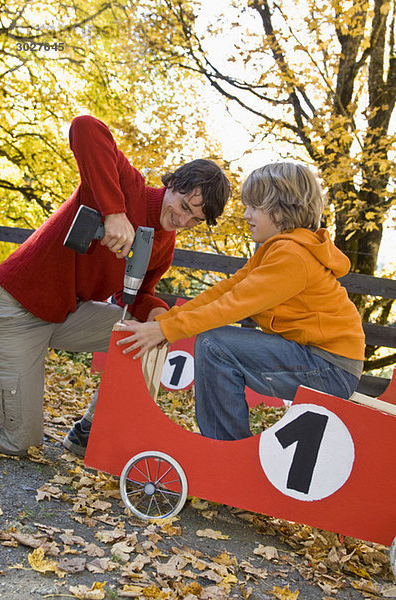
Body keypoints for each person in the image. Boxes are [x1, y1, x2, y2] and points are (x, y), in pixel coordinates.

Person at [0, 115, 231, 456]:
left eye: (195, 220)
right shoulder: (126, 186)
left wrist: (154, 312)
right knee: (22, 445)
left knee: (148, 335)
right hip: (17, 307)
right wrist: (113, 212)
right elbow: (85, 127)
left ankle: (89, 432)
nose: (183, 220)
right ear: (174, 183)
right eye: (183, 206)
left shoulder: (164, 245)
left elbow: (132, 295)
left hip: (66, 314)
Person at [116, 162, 365, 441]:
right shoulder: (278, 249)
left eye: (254, 207)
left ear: (280, 209)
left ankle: (226, 449)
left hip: (330, 368)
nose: (246, 215)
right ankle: (225, 445)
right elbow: (226, 290)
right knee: (214, 342)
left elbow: (233, 306)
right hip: (315, 358)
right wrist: (165, 321)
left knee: (215, 344)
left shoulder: (292, 257)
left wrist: (166, 331)